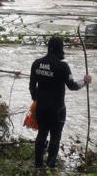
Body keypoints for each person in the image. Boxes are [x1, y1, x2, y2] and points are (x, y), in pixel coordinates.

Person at [29, 37, 92, 168]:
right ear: (60, 48)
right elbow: (73, 86)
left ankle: (38, 165)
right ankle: (51, 166)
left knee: (41, 134)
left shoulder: (36, 63)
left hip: (41, 108)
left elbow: (31, 86)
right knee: (55, 137)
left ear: (49, 47)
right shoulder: (62, 66)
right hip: (57, 110)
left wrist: (36, 100)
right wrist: (85, 82)